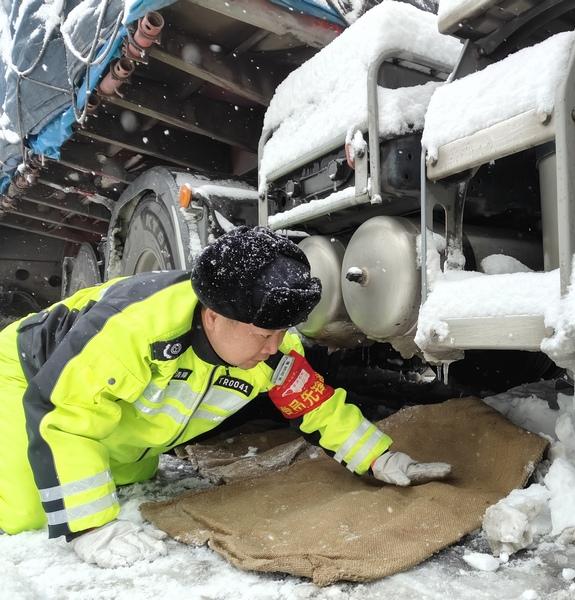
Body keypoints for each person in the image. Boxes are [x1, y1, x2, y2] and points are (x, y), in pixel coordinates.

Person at [0, 226, 450, 568]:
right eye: (263, 333)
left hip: (127, 423)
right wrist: (90, 526)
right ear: (213, 317)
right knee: (29, 512)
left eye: (282, 332)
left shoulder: (270, 350)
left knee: (125, 477)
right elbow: (64, 414)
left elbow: (318, 406)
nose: (275, 346)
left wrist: (381, 459)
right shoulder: (133, 328)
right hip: (27, 381)